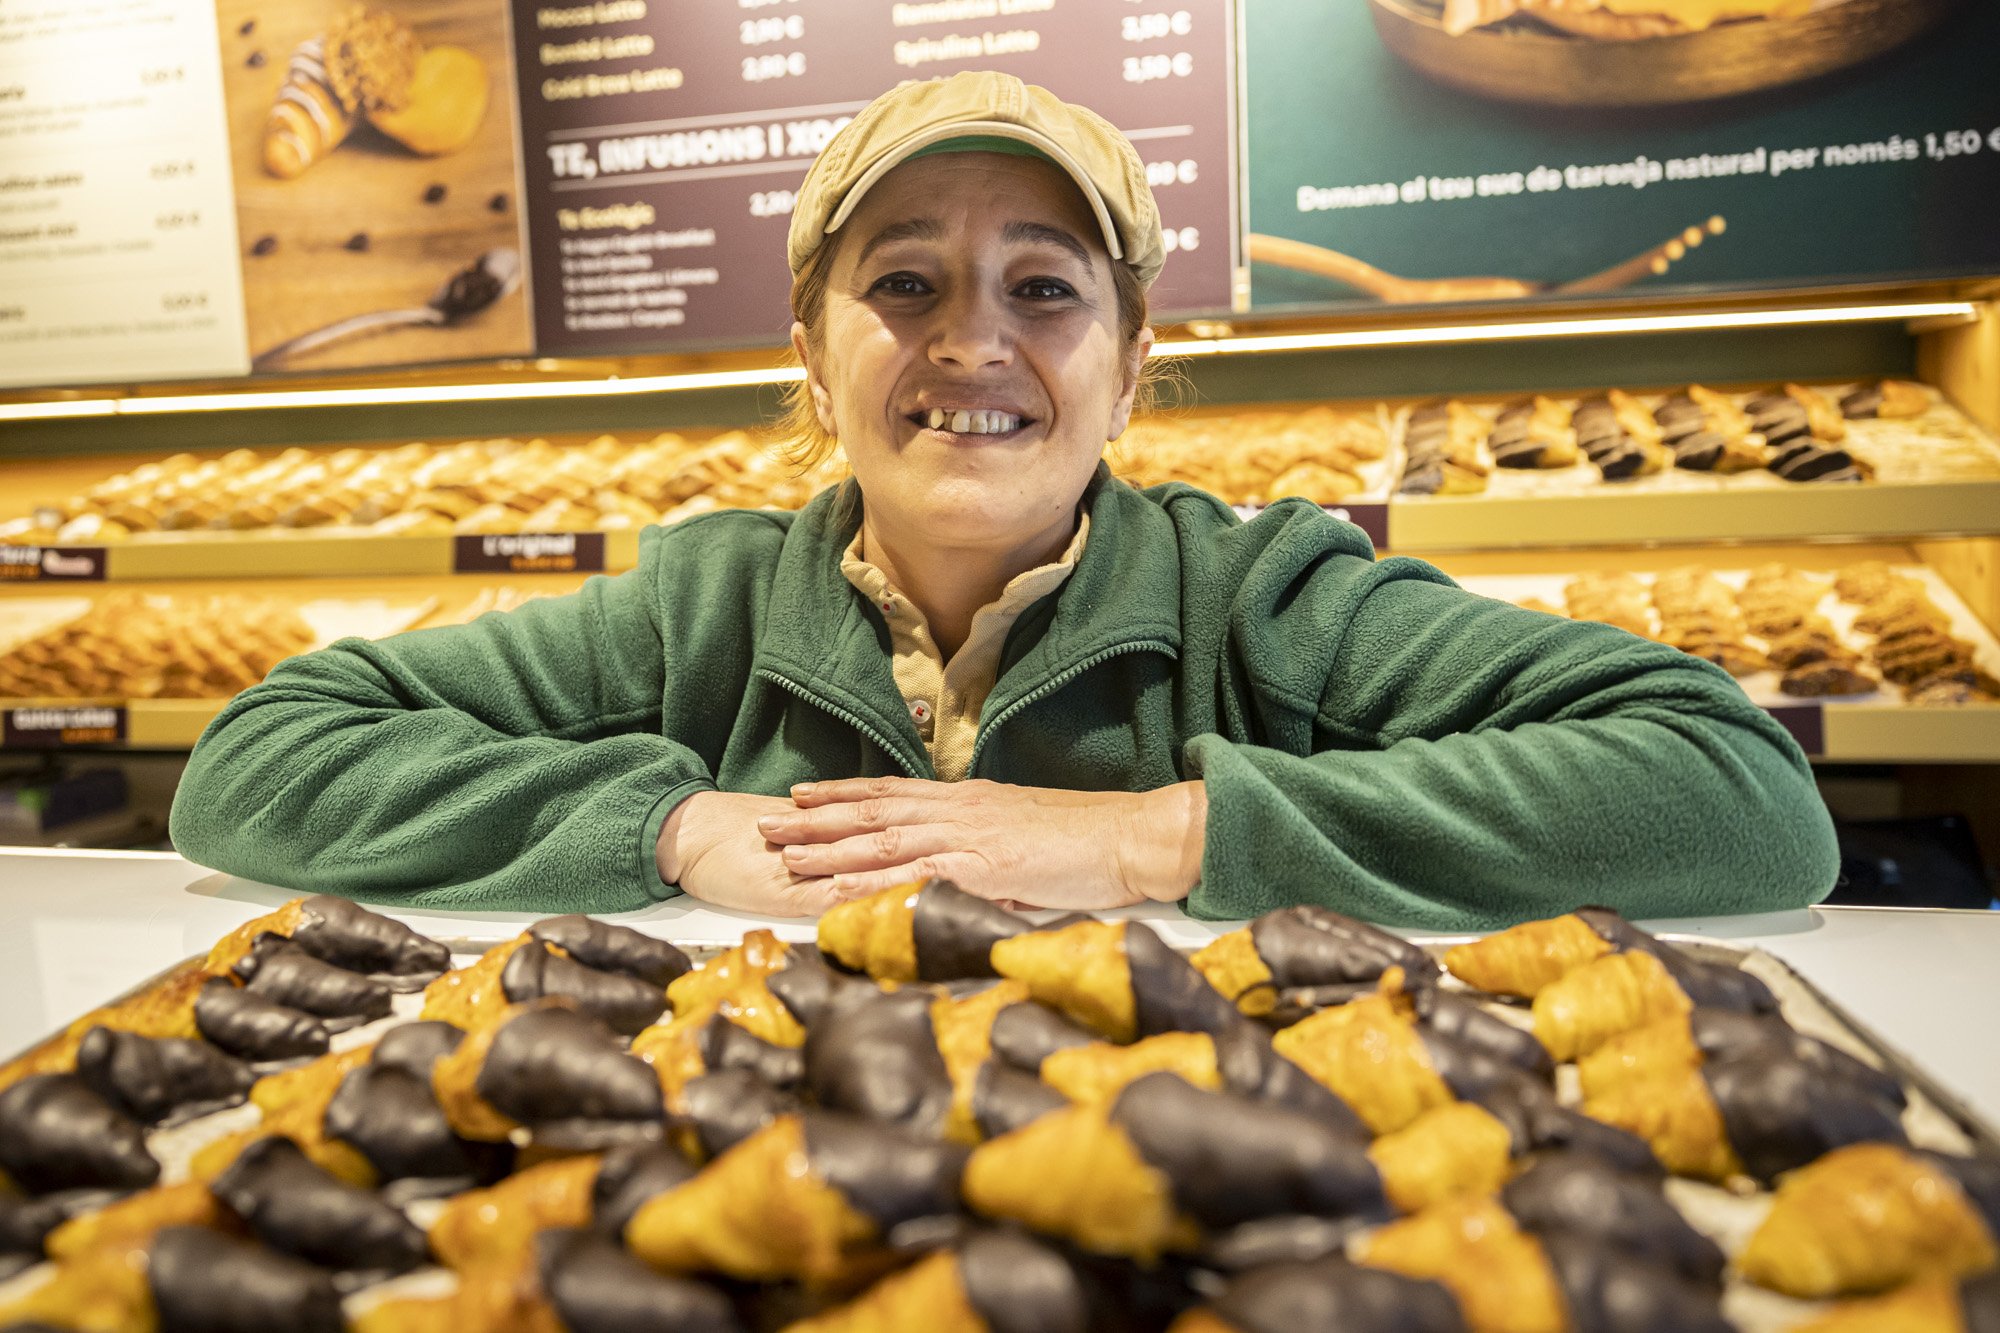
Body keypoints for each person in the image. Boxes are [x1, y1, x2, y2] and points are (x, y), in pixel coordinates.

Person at [169, 72, 1838, 927]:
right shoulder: (701, 610)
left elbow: (1737, 789)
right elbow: (256, 763)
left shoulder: (1264, 604)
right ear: (814, 353)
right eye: (903, 283)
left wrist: (1163, 835)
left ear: (1130, 361)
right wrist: (664, 825)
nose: (972, 341)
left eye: (1046, 291)